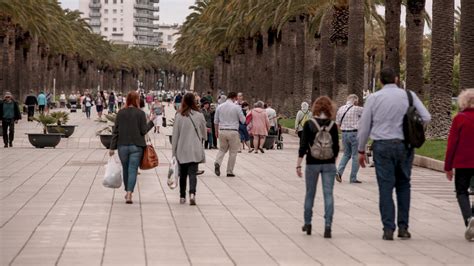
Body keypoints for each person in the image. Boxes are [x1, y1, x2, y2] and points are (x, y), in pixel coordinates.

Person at [358, 68, 431, 240]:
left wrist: (361, 150)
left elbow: (364, 126)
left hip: (382, 146)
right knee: (404, 185)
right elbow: (426, 117)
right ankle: (403, 228)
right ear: (396, 79)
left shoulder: (374, 98)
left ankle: (388, 229)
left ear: (381, 81)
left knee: (385, 187)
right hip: (404, 146)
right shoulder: (409, 96)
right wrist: (413, 130)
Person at [296, 96, 339, 238]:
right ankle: (328, 226)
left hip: (312, 163)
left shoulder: (309, 124)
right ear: (329, 109)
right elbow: (337, 148)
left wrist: (298, 165)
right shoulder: (333, 125)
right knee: (328, 194)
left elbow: (302, 146)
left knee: (310, 194)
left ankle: (307, 223)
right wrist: (332, 160)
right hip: (329, 163)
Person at [110, 91, 155, 204]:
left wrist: (112, 147)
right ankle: (129, 193)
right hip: (137, 146)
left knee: (125, 169)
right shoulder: (140, 113)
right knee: (133, 170)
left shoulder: (120, 113)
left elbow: (115, 131)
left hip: (122, 146)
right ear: (136, 100)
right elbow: (143, 131)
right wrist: (151, 122)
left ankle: (127, 191)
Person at [444, 89, 474, 241]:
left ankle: (469, 219)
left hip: (463, 162)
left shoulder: (459, 119)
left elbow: (452, 144)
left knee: (461, 191)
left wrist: (448, 166)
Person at [172, 93, 207, 205]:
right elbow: (204, 132)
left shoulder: (178, 116)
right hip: (195, 148)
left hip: (182, 149)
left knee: (182, 174)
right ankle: (192, 194)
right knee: (193, 173)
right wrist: (203, 138)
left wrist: (174, 151)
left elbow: (175, 135)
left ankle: (182, 196)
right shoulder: (199, 115)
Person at [214, 92, 246, 177]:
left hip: (222, 130)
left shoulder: (220, 107)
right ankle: (229, 171)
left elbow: (216, 121)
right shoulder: (237, 107)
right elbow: (243, 120)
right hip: (233, 131)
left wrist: (216, 131)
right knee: (233, 152)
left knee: (222, 149)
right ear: (235, 98)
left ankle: (217, 162)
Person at [335, 94, 364, 184]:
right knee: (356, 156)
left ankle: (339, 172)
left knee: (346, 154)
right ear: (355, 101)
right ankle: (353, 178)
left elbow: (337, 124)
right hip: (355, 133)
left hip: (344, 133)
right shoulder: (357, 109)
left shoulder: (341, 109)